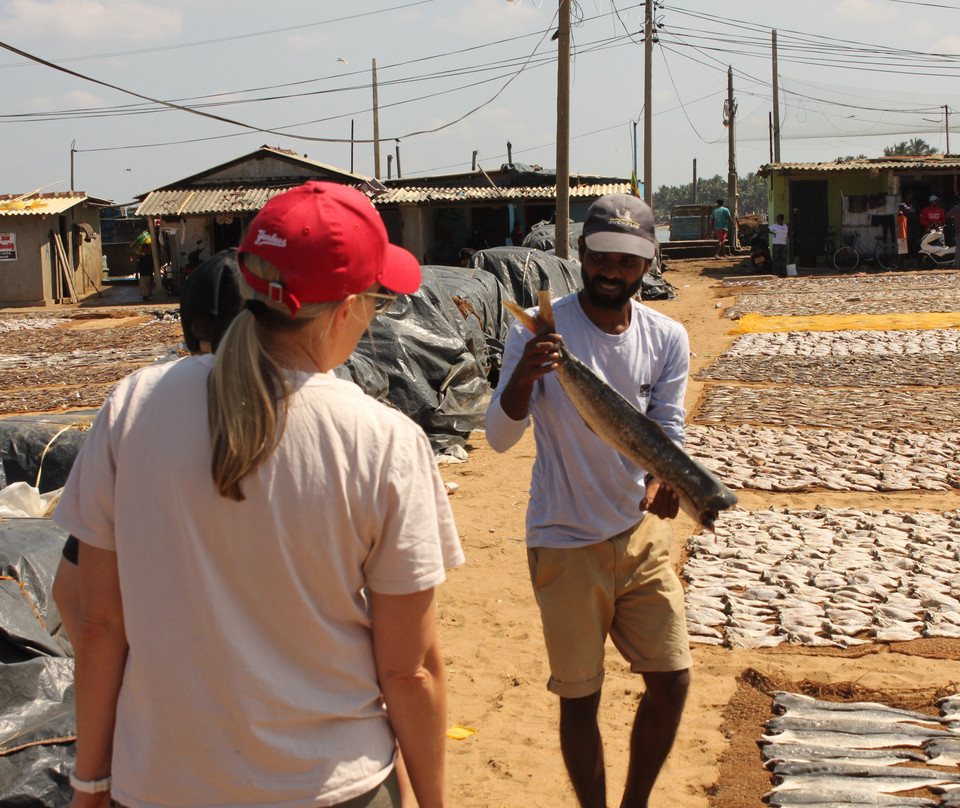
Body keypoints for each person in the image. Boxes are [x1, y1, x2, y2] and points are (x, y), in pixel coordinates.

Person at [53, 181, 463, 808]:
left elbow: (99, 620)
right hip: (330, 785)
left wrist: (90, 781)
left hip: (164, 783)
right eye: (378, 300)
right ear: (350, 306)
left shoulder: (134, 407)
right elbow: (409, 671)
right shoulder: (385, 443)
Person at [486, 193, 692, 808]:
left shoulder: (667, 336)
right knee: (582, 699)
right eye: (602, 256)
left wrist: (664, 480)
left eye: (628, 262)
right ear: (581, 253)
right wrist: (525, 372)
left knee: (672, 681)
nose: (612, 271)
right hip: (564, 540)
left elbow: (668, 428)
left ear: (648, 265)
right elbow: (499, 438)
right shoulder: (538, 326)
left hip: (640, 537)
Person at [51, 248, 248, 654]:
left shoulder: (133, 406)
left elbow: (71, 594)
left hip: (164, 696)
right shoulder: (340, 420)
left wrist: (110, 691)